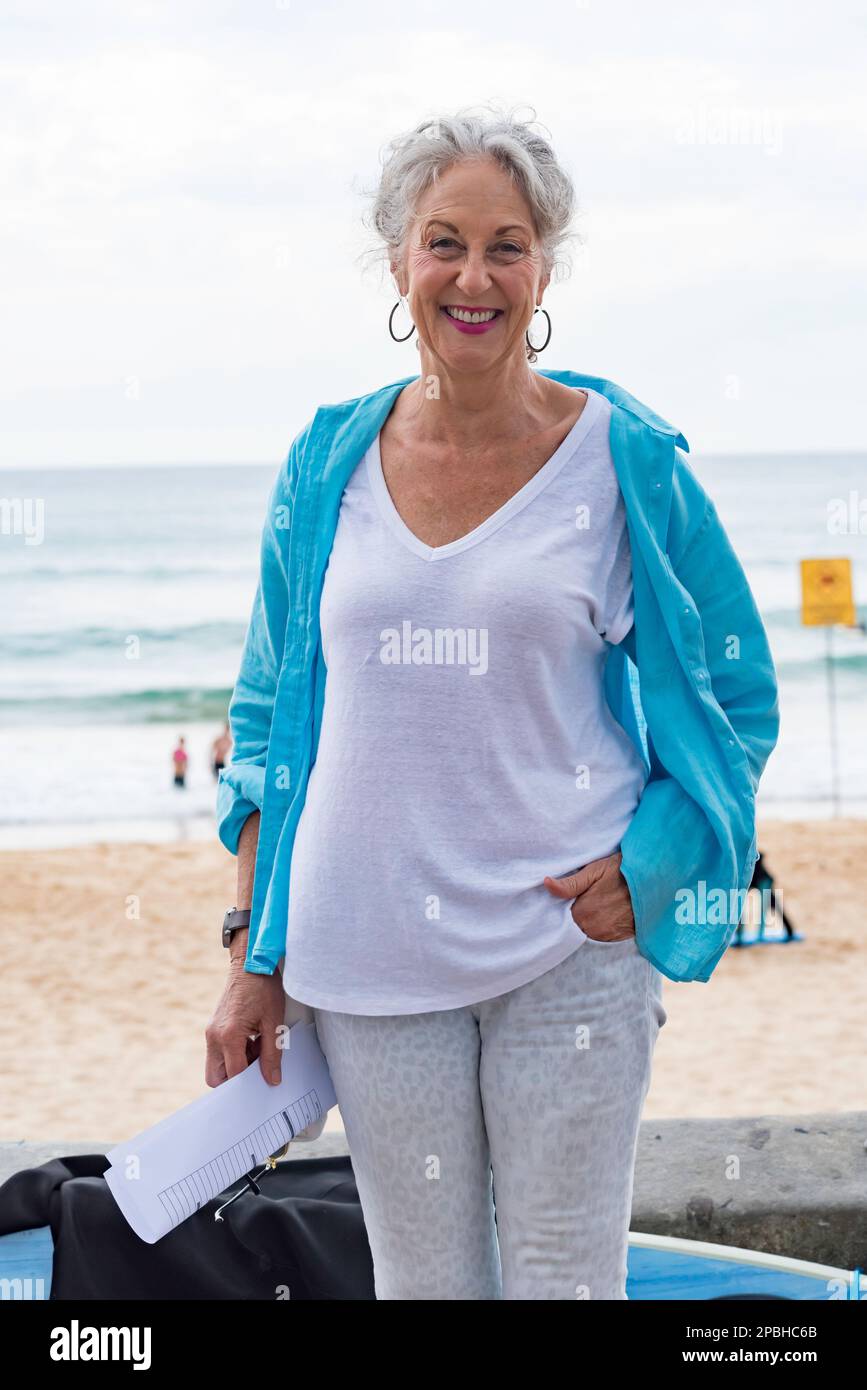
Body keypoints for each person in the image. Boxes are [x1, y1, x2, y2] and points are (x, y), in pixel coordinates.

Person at [205, 107, 780, 1300]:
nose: (475, 276)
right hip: (366, 956)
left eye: (506, 245)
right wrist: (250, 957)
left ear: (545, 267)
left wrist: (659, 861)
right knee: (426, 1289)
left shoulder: (624, 459)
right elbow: (263, 723)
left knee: (568, 1283)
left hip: (564, 947)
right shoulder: (324, 463)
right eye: (445, 241)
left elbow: (732, 685)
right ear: (399, 261)